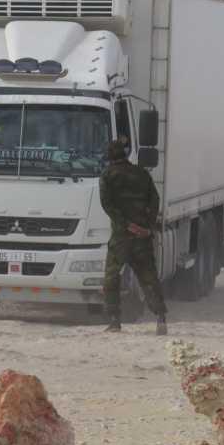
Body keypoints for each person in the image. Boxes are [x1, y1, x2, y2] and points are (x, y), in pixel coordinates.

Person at [99, 137, 167, 335]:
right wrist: (147, 226)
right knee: (149, 278)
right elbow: (154, 199)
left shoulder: (107, 176)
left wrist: (127, 225)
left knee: (111, 278)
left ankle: (114, 321)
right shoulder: (141, 173)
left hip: (121, 237)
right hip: (142, 237)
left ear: (109, 156)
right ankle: (161, 318)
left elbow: (108, 206)